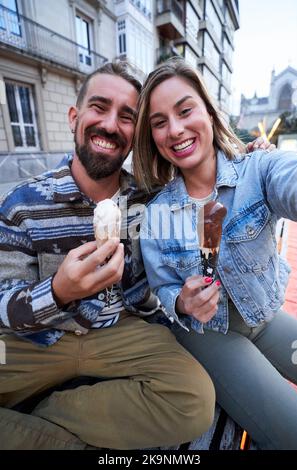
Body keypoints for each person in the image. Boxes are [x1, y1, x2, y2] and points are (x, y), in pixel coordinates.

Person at [0, 61, 217, 450]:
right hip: (31, 341)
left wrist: (246, 155)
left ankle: (43, 419)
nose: (111, 125)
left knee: (195, 401)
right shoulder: (22, 203)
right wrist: (58, 291)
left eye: (127, 117)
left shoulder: (147, 202)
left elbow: (205, 182)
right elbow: (2, 301)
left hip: (122, 333)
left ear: (135, 134)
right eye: (99, 107)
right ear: (74, 117)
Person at [133, 58, 297, 450]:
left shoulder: (257, 169)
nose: (175, 129)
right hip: (208, 335)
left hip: (265, 318)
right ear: (153, 136)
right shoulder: (155, 213)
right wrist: (183, 302)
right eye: (159, 122)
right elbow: (162, 292)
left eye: (185, 110)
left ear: (209, 111)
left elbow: (289, 178)